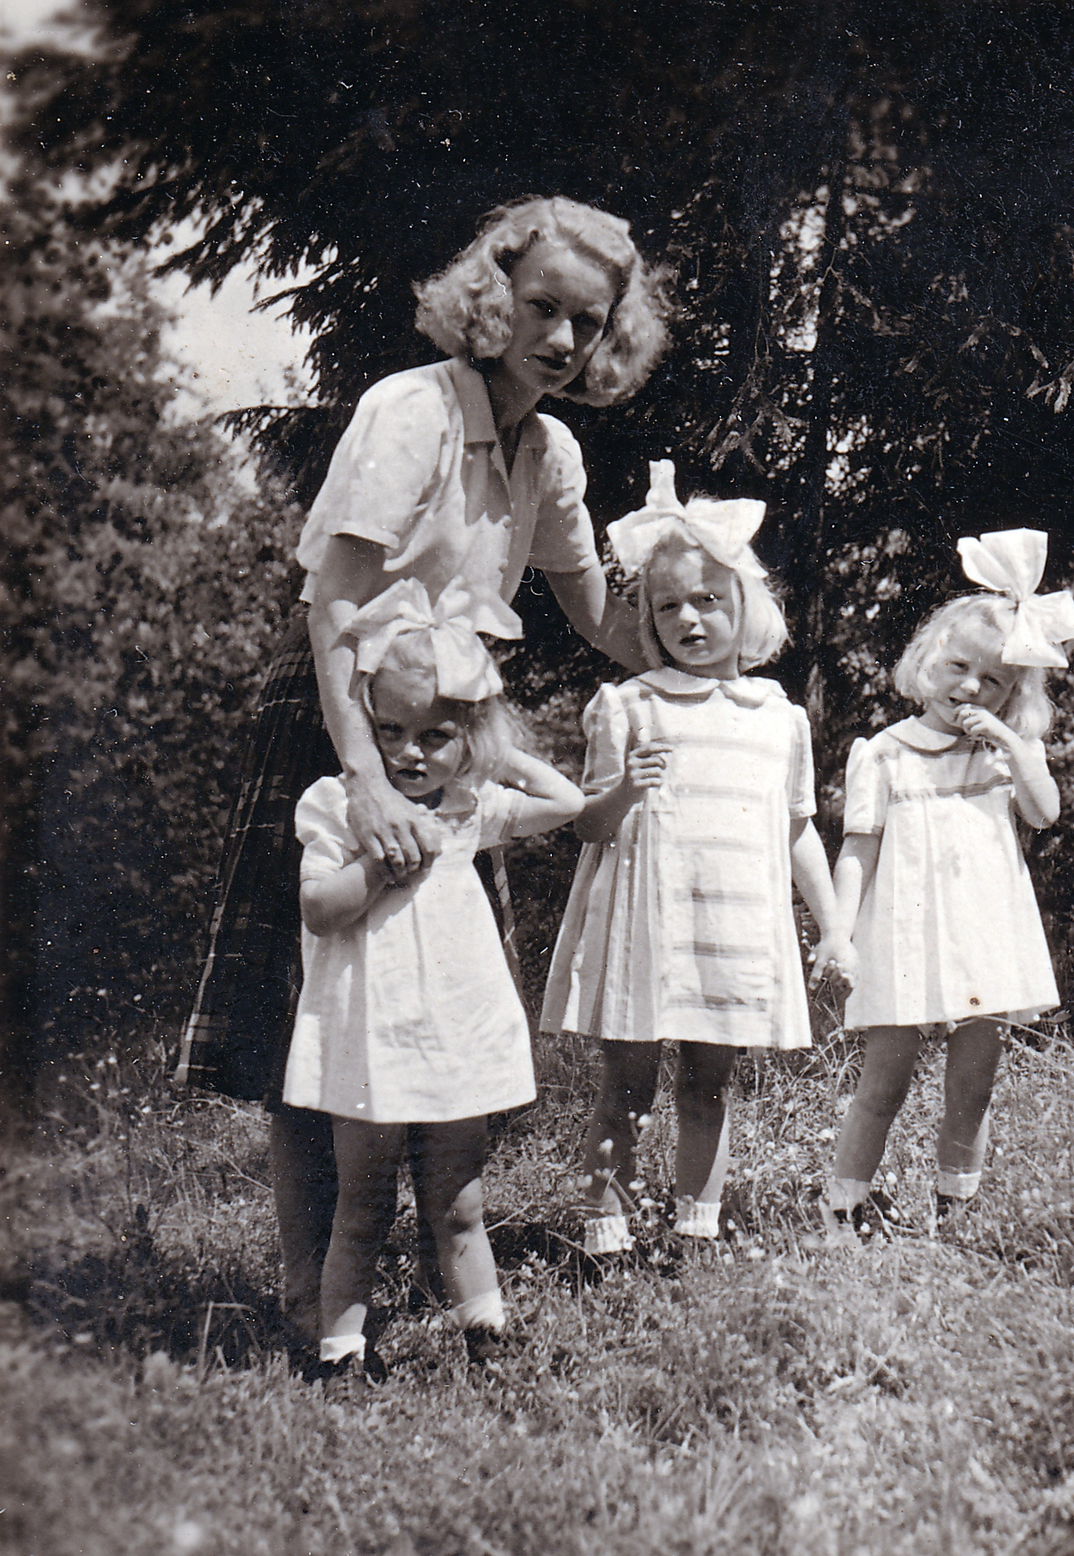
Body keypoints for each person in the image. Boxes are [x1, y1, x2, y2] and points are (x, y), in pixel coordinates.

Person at [178, 196, 672, 1351]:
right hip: (344, 720)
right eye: (541, 307)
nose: (560, 340)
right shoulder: (410, 411)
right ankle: (314, 1298)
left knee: (426, 1011)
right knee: (320, 1018)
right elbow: (334, 600)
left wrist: (699, 617)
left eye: (587, 324)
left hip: (452, 739)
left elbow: (598, 615)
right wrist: (362, 781)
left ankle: (426, 1274)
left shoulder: (551, 449)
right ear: (492, 297)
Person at [284, 578, 584, 1386]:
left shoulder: (468, 807)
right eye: (390, 731)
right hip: (372, 1042)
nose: (410, 752)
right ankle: (340, 1355)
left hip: (451, 1036)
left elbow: (565, 799)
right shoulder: (339, 807)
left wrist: (489, 749)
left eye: (435, 735)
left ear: (467, 740)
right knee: (362, 1207)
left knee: (460, 1202)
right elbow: (318, 908)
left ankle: (488, 1339)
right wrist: (380, 868)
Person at [540, 461, 842, 1252]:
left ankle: (695, 1231)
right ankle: (605, 1233)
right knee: (628, 1082)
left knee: (711, 1082)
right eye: (669, 604)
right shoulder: (628, 706)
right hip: (651, 928)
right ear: (648, 618)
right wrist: (620, 795)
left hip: (732, 931)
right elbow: (588, 829)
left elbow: (797, 830)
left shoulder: (777, 718)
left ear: (746, 606)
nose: (690, 619)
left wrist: (834, 929)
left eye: (709, 600)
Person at [815, 527, 1074, 1239]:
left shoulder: (1005, 756)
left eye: (992, 681)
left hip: (983, 933)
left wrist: (1013, 744)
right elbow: (857, 850)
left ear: (1011, 693)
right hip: (904, 931)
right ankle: (844, 1209)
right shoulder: (882, 754)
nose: (970, 687)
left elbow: (1045, 813)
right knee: (886, 1081)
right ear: (927, 660)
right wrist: (839, 930)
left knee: (975, 1083)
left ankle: (955, 1208)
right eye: (959, 667)